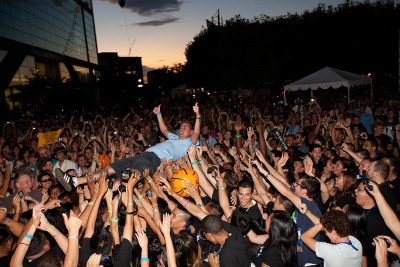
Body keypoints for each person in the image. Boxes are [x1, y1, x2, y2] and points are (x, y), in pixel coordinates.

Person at [54, 103, 201, 192]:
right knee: (110, 168)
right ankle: (76, 182)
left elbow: (197, 131)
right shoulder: (174, 137)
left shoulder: (190, 143)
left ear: (191, 131)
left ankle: (115, 185)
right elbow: (163, 131)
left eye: (185, 127)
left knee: (132, 174)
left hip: (154, 160)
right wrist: (159, 114)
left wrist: (198, 116)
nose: (181, 128)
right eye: (181, 126)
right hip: (144, 155)